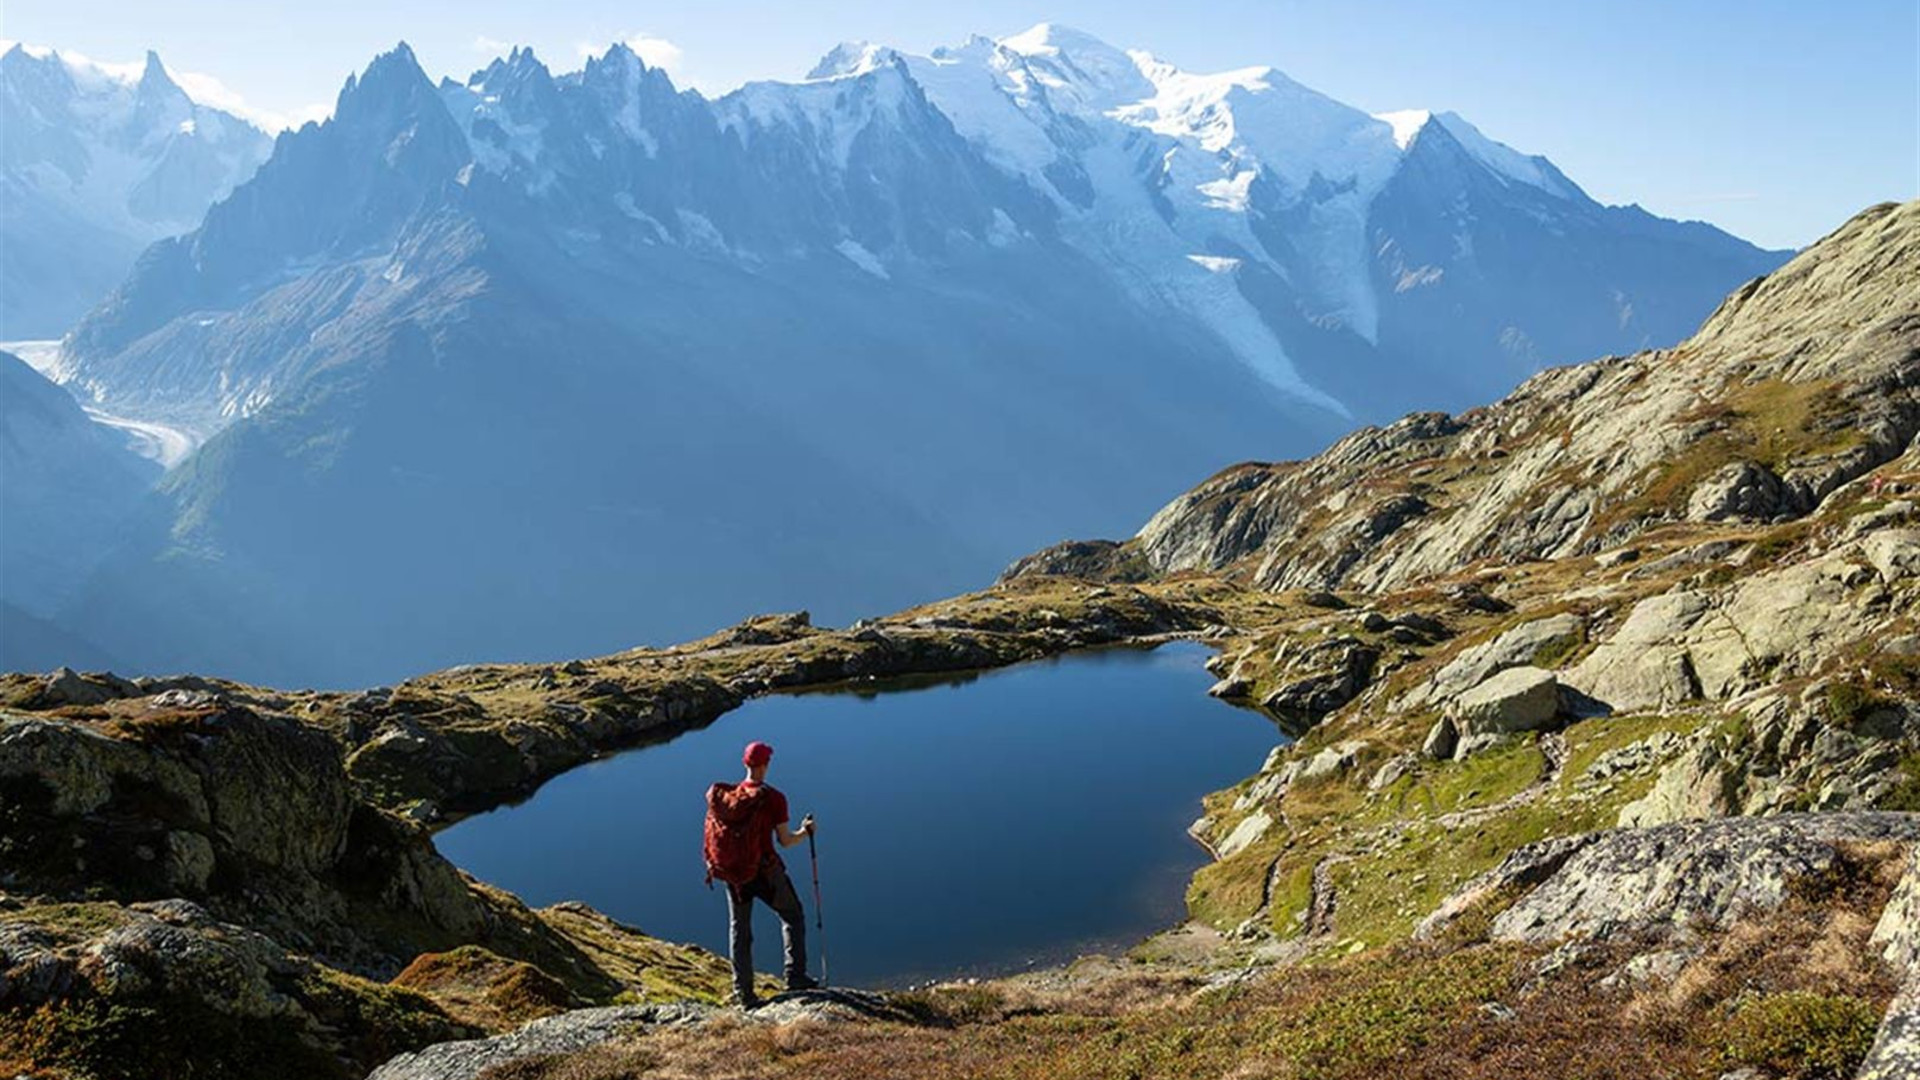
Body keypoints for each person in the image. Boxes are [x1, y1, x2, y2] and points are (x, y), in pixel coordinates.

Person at [713, 740, 816, 1007]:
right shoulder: (773, 798)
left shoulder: (730, 798)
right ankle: (796, 977)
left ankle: (744, 993)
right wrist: (806, 832)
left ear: (745, 764)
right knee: (793, 915)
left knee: (740, 930)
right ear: (766, 765)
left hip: (734, 874)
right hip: (765, 872)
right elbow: (785, 840)